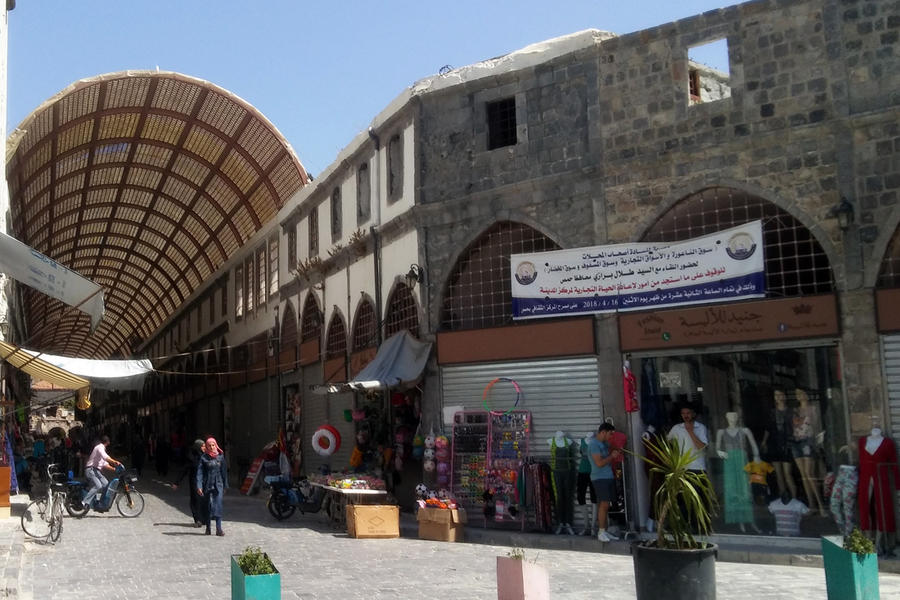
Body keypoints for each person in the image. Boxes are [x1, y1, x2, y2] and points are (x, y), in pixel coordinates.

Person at [715, 411, 760, 533]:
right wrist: (721, 454)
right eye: (730, 416)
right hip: (729, 461)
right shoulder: (721, 432)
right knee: (732, 489)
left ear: (738, 417)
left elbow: (753, 445)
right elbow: (718, 448)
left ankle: (749, 520)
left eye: (735, 416)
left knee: (745, 489)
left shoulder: (744, 430)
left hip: (741, 459)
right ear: (726, 417)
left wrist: (756, 457)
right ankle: (738, 520)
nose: (733, 418)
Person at [589, 423, 621, 543]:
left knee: (607, 505)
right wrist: (612, 457)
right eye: (610, 434)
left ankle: (605, 530)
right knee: (603, 504)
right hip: (599, 478)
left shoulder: (604, 443)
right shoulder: (594, 444)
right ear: (603, 432)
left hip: (608, 476)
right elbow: (599, 463)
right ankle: (601, 532)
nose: (611, 436)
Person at [196, 437, 228, 536]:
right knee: (208, 506)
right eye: (209, 445)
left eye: (213, 445)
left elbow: (224, 473)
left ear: (216, 445)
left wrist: (225, 486)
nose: (211, 447)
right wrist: (199, 486)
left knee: (218, 505)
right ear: (207, 447)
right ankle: (208, 528)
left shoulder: (221, 457)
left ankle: (219, 529)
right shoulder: (204, 458)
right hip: (207, 485)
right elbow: (200, 473)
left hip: (218, 485)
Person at [548, 431, 576, 535]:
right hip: (556, 473)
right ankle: (560, 523)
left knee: (568, 497)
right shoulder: (551, 441)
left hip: (567, 472)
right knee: (558, 497)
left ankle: (568, 523)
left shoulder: (568, 441)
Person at [173, 439, 206, 527]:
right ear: (198, 447)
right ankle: (197, 519)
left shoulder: (206, 457)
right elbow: (184, 470)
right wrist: (177, 482)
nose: (204, 448)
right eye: (202, 446)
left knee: (203, 500)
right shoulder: (191, 458)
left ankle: (204, 518)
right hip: (194, 482)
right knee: (195, 500)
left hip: (204, 482)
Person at [83, 435, 122, 508]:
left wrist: (114, 469)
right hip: (91, 470)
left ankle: (101, 503)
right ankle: (84, 502)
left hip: (95, 471)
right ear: (108, 442)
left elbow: (104, 464)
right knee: (98, 485)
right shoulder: (100, 447)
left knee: (106, 484)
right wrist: (115, 462)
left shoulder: (100, 450)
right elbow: (105, 457)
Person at [667, 403, 709, 472]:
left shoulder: (700, 427)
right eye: (683, 413)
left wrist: (690, 431)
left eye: (688, 413)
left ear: (693, 414)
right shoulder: (676, 428)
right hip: (682, 467)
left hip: (698, 467)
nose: (685, 415)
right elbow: (668, 442)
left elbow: (701, 447)